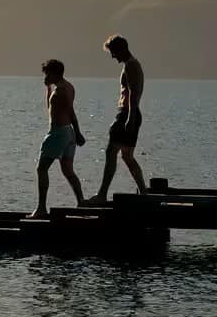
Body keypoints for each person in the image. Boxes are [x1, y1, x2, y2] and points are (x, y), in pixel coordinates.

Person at [94, 34, 147, 203]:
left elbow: (133, 94)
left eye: (113, 52)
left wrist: (129, 119)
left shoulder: (131, 66)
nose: (112, 56)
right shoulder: (133, 64)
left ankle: (102, 194)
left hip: (127, 113)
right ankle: (144, 192)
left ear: (121, 49)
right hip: (132, 114)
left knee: (111, 151)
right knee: (127, 156)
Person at [30, 59, 86, 218]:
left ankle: (41, 208)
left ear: (55, 73)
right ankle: (81, 202)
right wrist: (48, 88)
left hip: (59, 133)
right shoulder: (67, 87)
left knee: (41, 169)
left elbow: (70, 112)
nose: (46, 76)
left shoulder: (61, 91)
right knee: (68, 171)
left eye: (47, 73)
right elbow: (51, 108)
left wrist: (79, 132)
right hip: (67, 133)